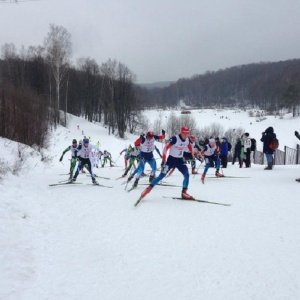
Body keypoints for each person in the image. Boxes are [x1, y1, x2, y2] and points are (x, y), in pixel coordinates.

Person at [139, 126, 196, 200]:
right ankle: (147, 190)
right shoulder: (175, 138)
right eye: (184, 133)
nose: (185, 135)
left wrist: (194, 154)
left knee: (186, 174)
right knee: (161, 176)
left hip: (180, 160)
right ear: (181, 132)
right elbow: (166, 148)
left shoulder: (187, 139)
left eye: (187, 134)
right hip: (171, 160)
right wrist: (163, 160)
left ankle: (184, 192)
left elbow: (189, 146)